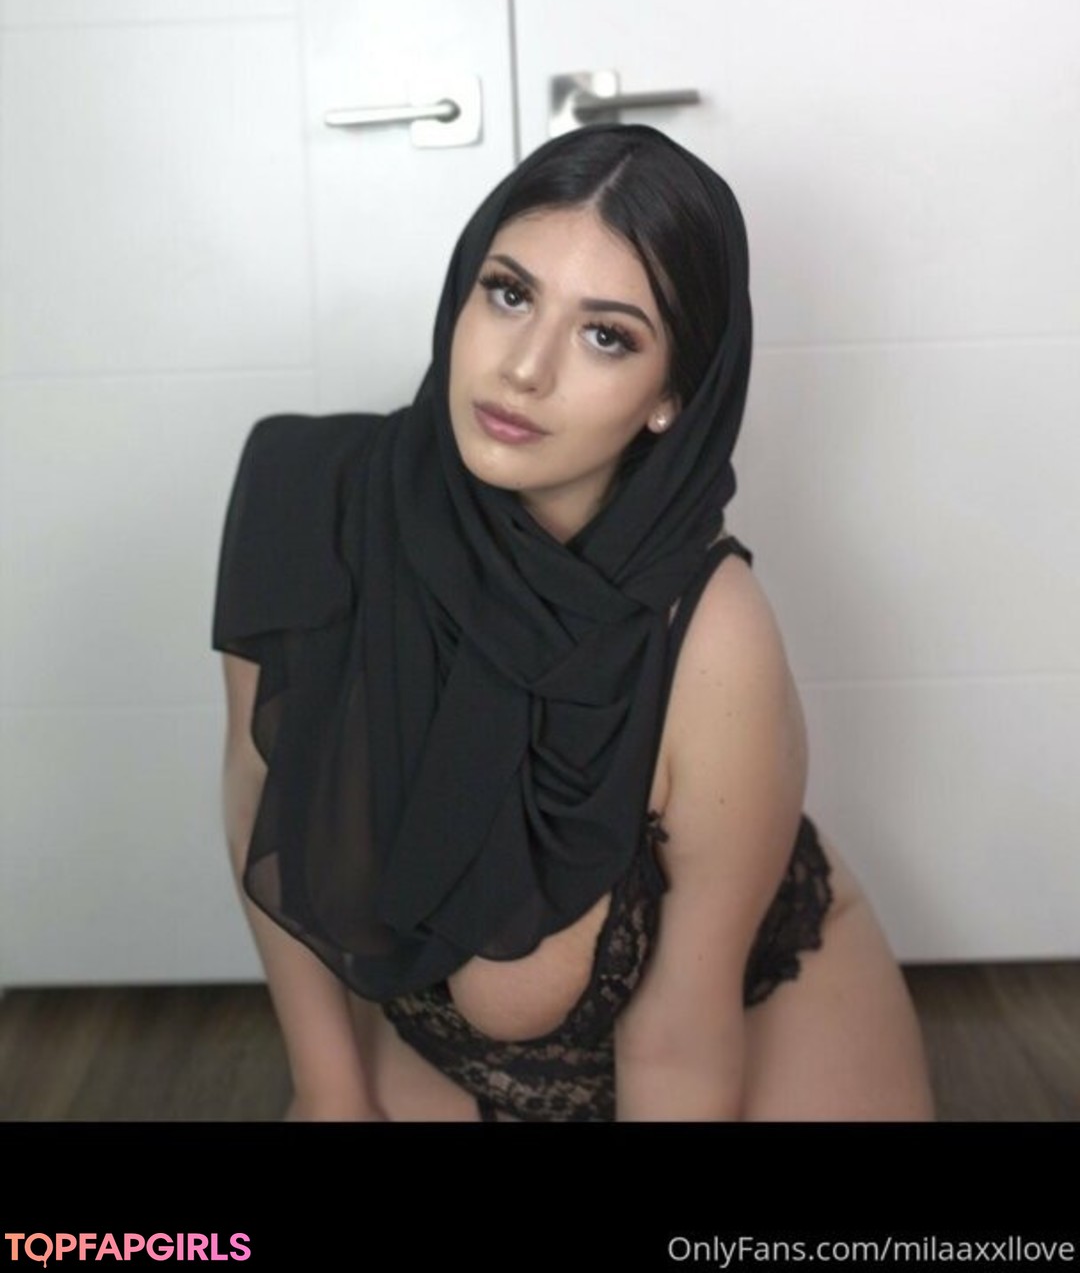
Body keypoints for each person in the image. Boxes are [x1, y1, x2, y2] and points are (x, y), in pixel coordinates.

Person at [213, 124, 933, 1121]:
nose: (524, 369)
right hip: (456, 1050)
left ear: (672, 394)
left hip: (736, 1013)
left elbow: (678, 1041)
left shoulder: (711, 634)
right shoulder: (310, 495)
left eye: (607, 336)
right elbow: (259, 794)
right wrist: (330, 1093)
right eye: (510, 293)